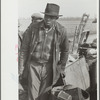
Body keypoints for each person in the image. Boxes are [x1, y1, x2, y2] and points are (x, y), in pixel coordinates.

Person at [19, 3, 69, 100]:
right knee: (32, 95)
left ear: (56, 18)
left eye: (51, 17)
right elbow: (24, 49)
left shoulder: (61, 31)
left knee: (44, 95)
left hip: (49, 67)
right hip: (34, 66)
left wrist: (61, 68)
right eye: (46, 16)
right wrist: (21, 68)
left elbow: (65, 51)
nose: (48, 19)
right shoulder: (33, 28)